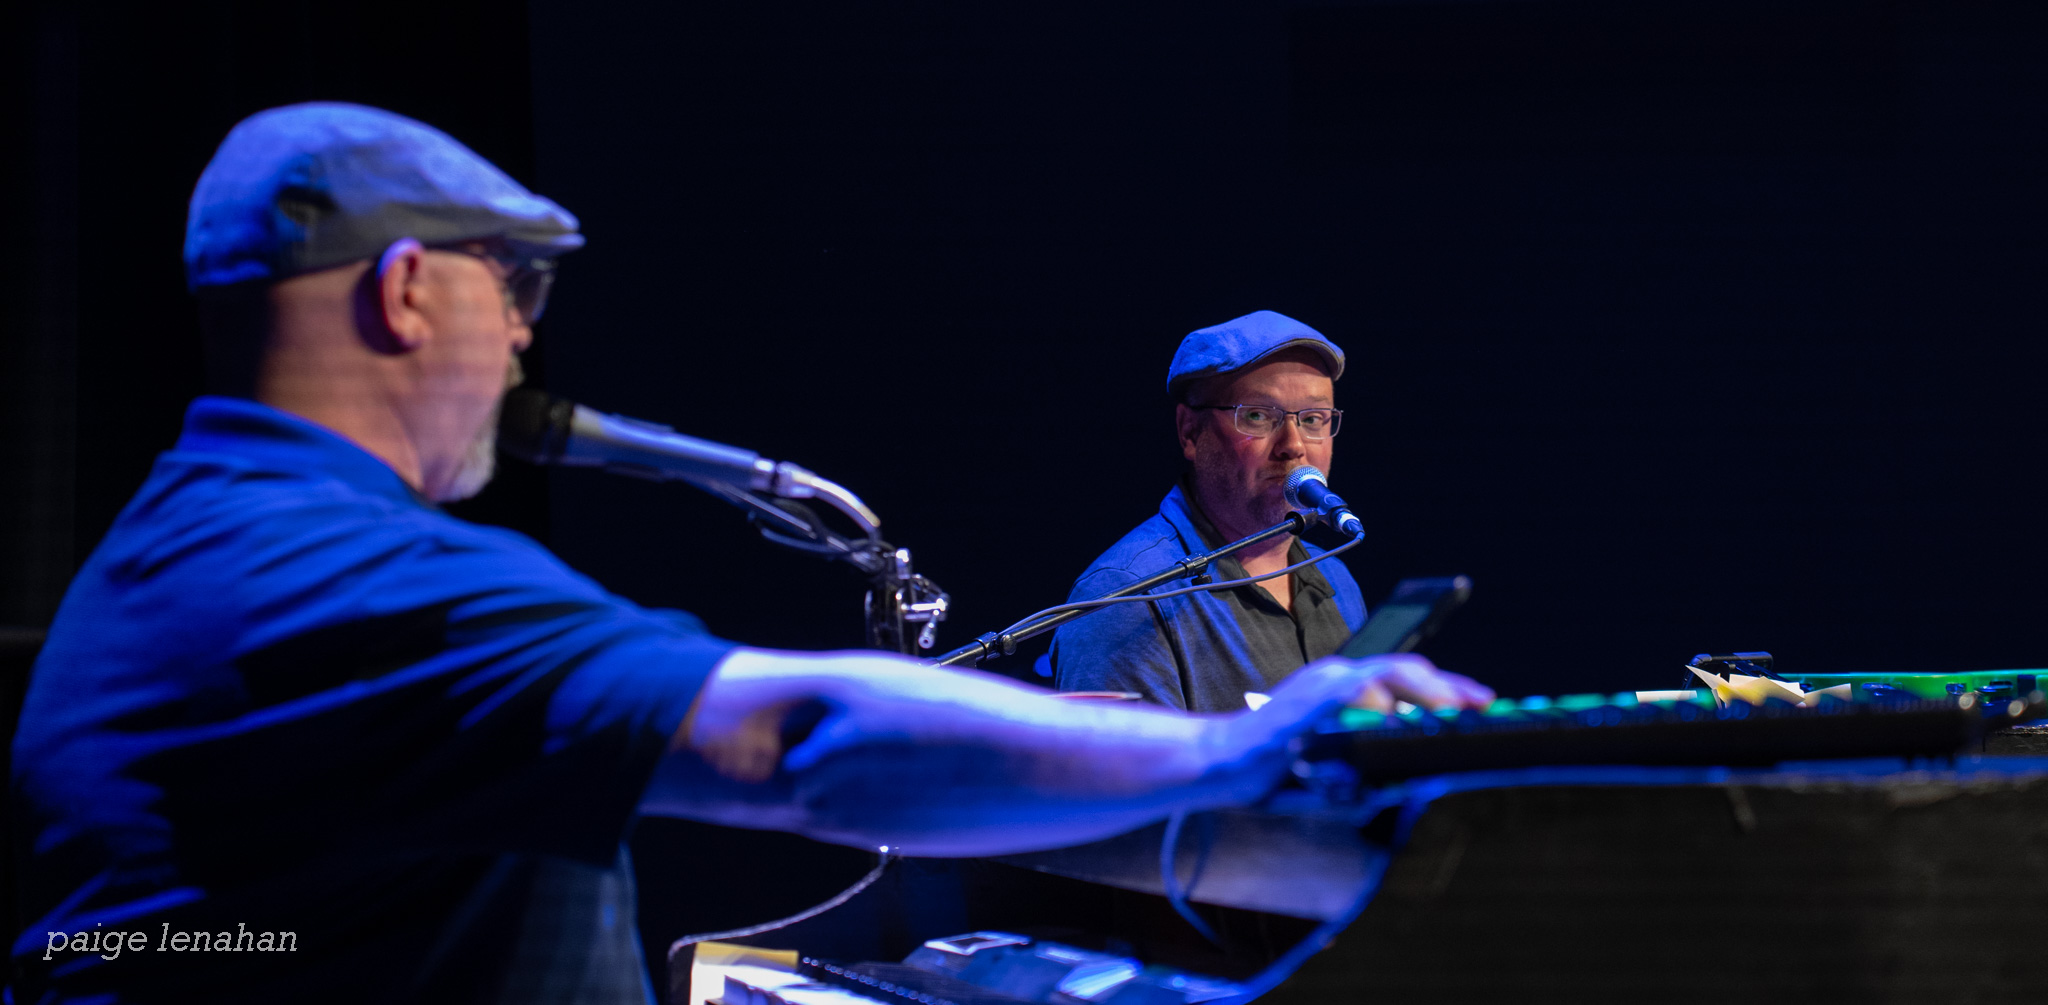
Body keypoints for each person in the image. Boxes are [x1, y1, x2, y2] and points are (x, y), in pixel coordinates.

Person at [8, 104, 1490, 1005]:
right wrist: (1236, 754)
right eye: (511, 283)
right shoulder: (332, 574)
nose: (529, 331)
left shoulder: (184, 541)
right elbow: (793, 737)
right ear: (405, 292)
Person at [1050, 312, 1464, 714]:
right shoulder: (1127, 597)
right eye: (1257, 416)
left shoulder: (1335, 578)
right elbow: (1133, 782)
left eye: (1314, 419)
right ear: (1190, 433)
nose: (1294, 445)